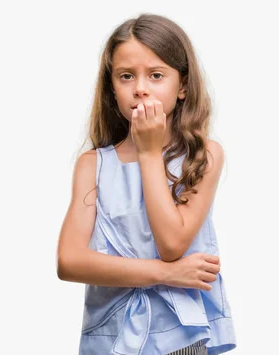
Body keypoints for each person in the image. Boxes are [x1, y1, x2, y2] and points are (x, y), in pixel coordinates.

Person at [56, 13, 236, 355]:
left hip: (180, 338)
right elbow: (69, 261)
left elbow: (172, 244)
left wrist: (150, 153)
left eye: (156, 75)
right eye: (126, 76)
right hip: (112, 339)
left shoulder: (204, 156)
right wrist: (166, 273)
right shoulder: (93, 165)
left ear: (182, 86)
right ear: (112, 87)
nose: (140, 87)